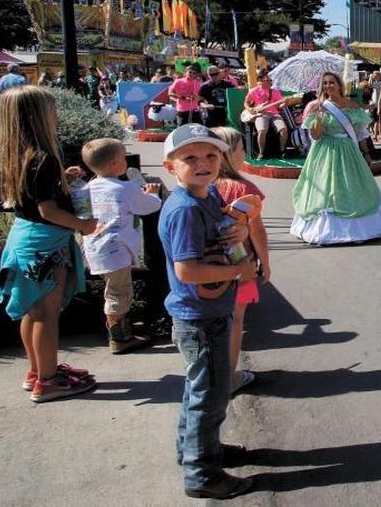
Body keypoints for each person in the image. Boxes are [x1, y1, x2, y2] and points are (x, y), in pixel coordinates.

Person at [158, 123, 256, 500]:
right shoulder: (184, 210)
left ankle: (197, 450)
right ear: (171, 167)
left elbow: (229, 227)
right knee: (210, 398)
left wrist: (242, 230)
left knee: (201, 390)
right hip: (199, 316)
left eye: (211, 155)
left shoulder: (209, 195)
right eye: (191, 158)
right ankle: (202, 473)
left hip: (208, 310)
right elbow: (188, 270)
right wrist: (239, 271)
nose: (203, 163)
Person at [0, 86, 98, 402]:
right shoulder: (44, 158)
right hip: (45, 245)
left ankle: (39, 371)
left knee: (33, 310)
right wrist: (83, 226)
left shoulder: (18, 154)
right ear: (37, 117)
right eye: (51, 110)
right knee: (46, 315)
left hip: (24, 239)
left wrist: (63, 176)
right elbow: (48, 210)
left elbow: (36, 196)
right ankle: (50, 381)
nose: (56, 115)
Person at [290, 72, 381, 244]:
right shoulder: (317, 107)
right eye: (324, 83)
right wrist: (318, 117)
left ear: (339, 85)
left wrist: (367, 153)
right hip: (325, 151)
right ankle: (327, 228)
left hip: (349, 151)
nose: (328, 86)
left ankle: (360, 226)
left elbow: (361, 133)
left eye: (331, 82)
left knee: (352, 185)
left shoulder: (351, 106)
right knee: (327, 187)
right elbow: (316, 136)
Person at [81, 138, 160, 353]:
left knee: (114, 290)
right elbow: (149, 207)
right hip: (116, 250)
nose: (126, 161)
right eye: (124, 157)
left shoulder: (88, 188)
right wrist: (152, 193)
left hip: (95, 248)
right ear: (115, 163)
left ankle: (120, 324)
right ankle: (118, 336)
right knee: (118, 293)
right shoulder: (125, 188)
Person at [211, 127, 272, 395]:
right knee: (235, 320)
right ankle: (229, 377)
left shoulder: (203, 187)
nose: (244, 152)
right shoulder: (244, 188)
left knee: (214, 322)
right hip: (242, 266)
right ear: (231, 154)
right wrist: (266, 264)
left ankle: (212, 374)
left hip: (208, 266)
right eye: (241, 148)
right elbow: (257, 230)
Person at [243, 70, 288, 159]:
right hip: (261, 114)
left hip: (274, 114)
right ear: (260, 81)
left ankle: (282, 151)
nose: (269, 81)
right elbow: (246, 103)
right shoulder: (254, 91)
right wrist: (250, 109)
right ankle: (261, 152)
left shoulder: (275, 91)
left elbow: (279, 106)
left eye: (269, 80)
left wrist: (284, 104)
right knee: (262, 130)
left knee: (283, 129)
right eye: (267, 80)